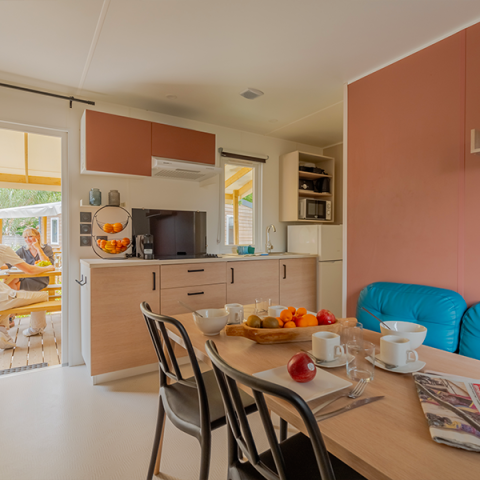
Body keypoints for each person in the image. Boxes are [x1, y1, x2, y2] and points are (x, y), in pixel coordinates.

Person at [0, 244, 54, 350]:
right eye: (26, 237)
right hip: (3, 297)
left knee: (10, 291)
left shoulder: (45, 248)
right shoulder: (4, 249)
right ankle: (37, 327)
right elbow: (30, 270)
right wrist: (48, 268)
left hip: (7, 293)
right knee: (43, 296)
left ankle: (3, 331)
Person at [1, 227, 55, 329]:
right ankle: (10, 314)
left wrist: (38, 248)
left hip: (40, 279)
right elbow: (9, 264)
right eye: (25, 237)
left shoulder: (46, 248)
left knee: (9, 285)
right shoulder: (22, 250)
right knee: (9, 281)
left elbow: (49, 264)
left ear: (37, 236)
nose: (27, 239)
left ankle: (9, 315)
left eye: (30, 236)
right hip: (25, 277)